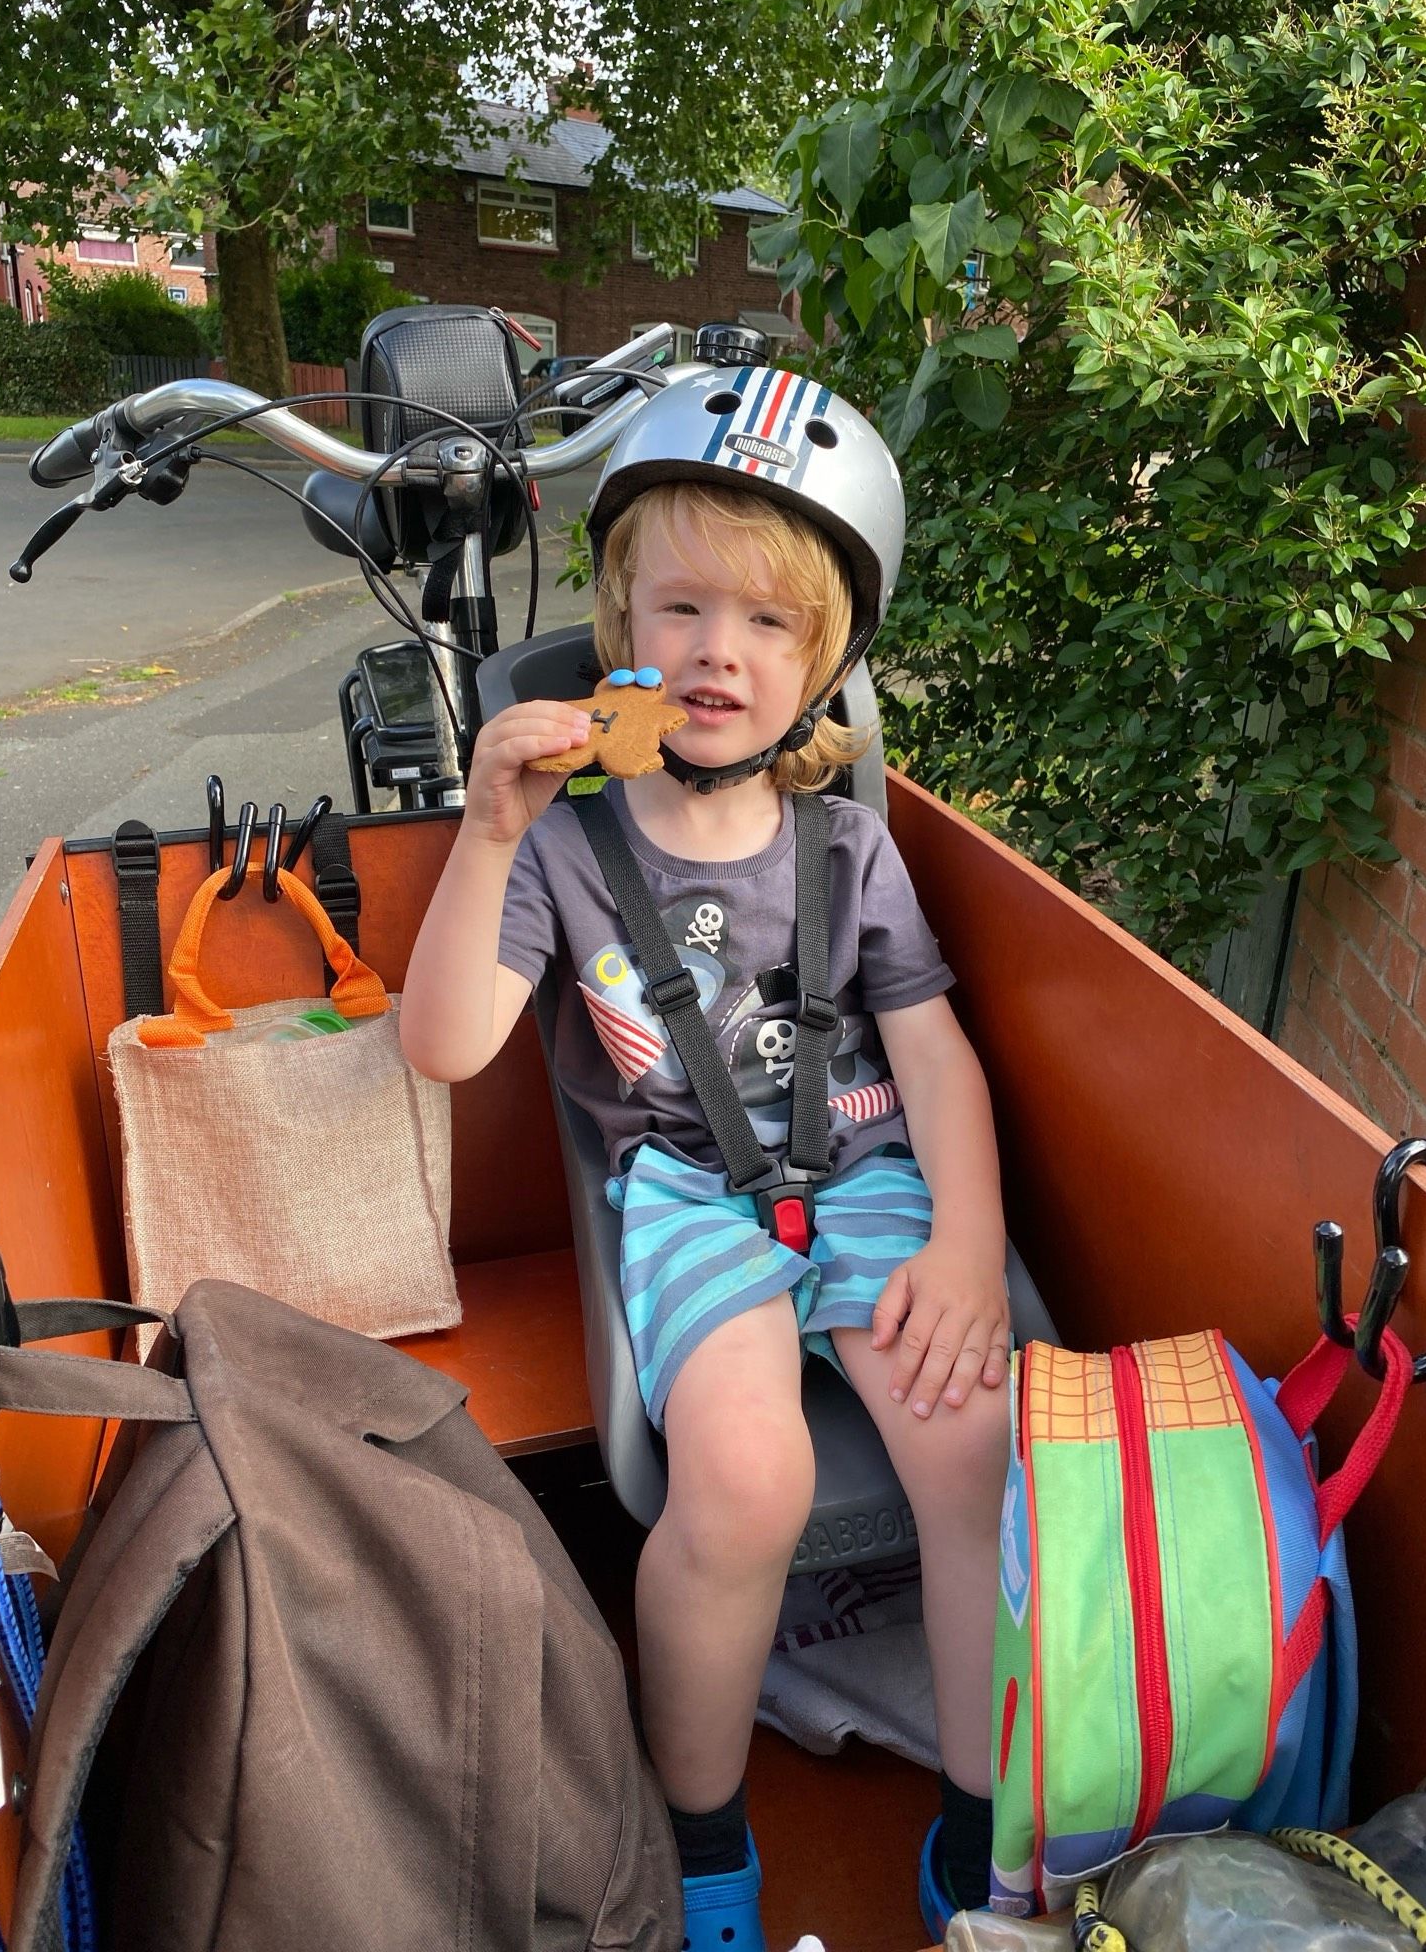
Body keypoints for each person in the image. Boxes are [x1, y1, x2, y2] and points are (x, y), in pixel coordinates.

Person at [400, 366, 1011, 1946]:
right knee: (746, 1473)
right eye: (679, 609)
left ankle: (981, 1821)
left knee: (973, 1446)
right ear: (619, 629)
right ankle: (707, 1837)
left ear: (824, 665)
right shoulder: (559, 841)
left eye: (766, 625)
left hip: (864, 1170)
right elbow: (447, 1044)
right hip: (682, 1192)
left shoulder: (848, 843)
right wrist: (481, 833)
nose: (715, 654)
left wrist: (962, 1244)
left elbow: (932, 1044)